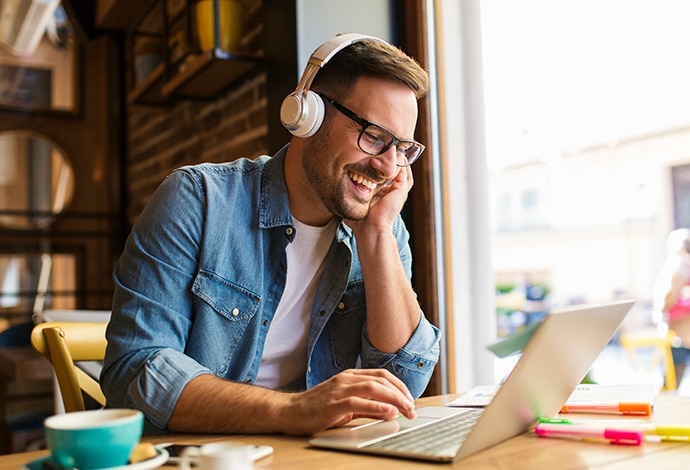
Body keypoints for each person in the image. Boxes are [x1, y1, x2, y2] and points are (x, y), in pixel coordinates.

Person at [100, 33, 441, 436]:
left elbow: (403, 384)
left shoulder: (380, 222)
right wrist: (294, 411)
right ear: (308, 115)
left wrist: (379, 235)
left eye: (402, 148)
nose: (388, 167)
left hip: (314, 460)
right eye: (374, 136)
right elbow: (136, 369)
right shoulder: (198, 200)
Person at [652, 228, 690, 385]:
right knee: (672, 382)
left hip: (684, 335)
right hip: (677, 336)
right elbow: (663, 304)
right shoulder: (674, 271)